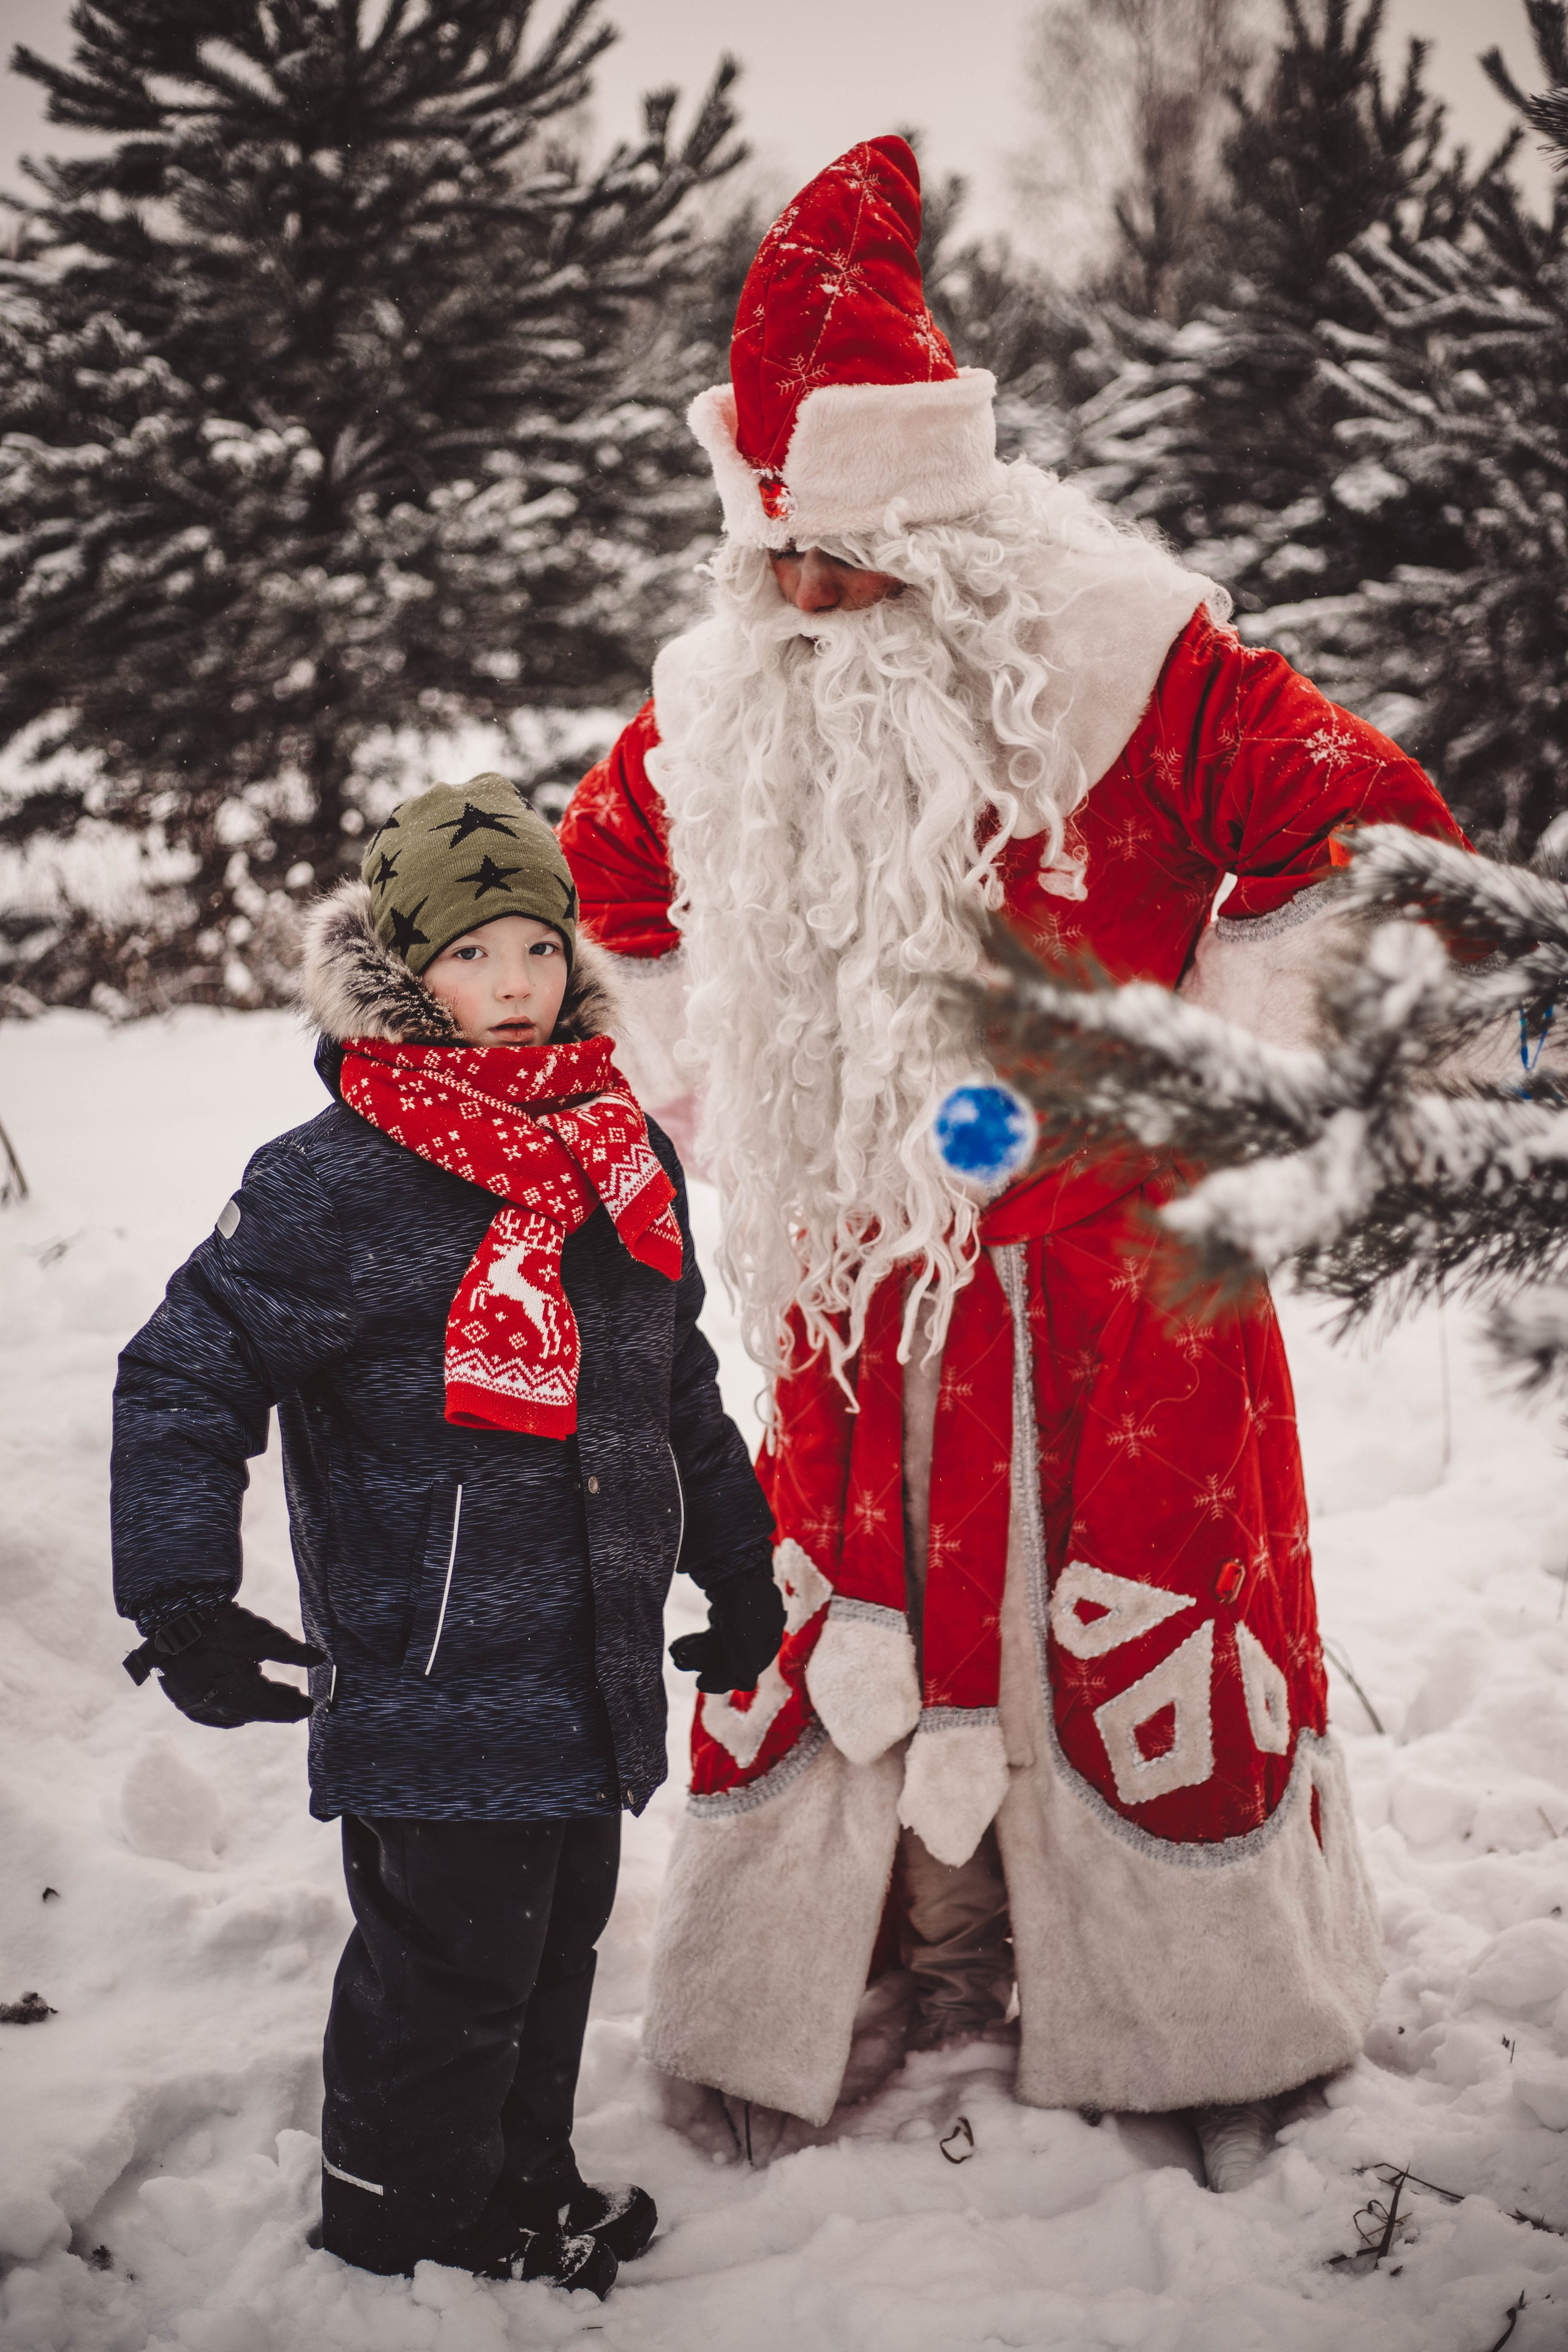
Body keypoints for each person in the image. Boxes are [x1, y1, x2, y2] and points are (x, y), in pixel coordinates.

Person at [557, 137, 1468, 2193]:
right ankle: (883, 1955)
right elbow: (606, 885)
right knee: (847, 1611)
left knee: (1123, 1608)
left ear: (948, 542)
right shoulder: (721, 701)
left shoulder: (1139, 658)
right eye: (771, 561)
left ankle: (1171, 2004)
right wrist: (713, 1077)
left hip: (1121, 1295)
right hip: (843, 1291)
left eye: (847, 568)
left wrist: (1202, 1074)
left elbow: (1377, 834)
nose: (803, 605)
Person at [110, 773, 783, 2286]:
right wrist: (179, 1596)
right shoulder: (329, 1182)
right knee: (450, 1968)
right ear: (405, 972)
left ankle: (516, 2185)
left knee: (549, 1955)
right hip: (430, 1664)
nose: (511, 988)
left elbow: (669, 1380)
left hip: (586, 1655)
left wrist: (736, 1564)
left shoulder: (618, 1152)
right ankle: (401, 2228)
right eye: (470, 956)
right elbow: (180, 1376)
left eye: (536, 951)